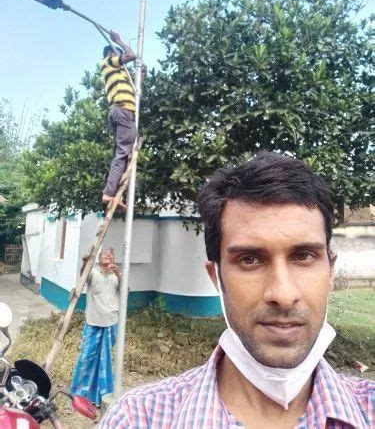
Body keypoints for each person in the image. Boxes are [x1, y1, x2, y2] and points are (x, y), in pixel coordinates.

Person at [99, 152, 374, 428]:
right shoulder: (136, 419)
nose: (283, 294)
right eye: (250, 260)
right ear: (216, 277)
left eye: (303, 256)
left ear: (330, 271)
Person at [70, 248, 121, 407]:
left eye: (111, 253)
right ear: (99, 258)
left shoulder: (116, 276)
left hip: (111, 322)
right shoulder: (93, 273)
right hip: (93, 323)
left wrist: (119, 273)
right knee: (86, 358)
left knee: (104, 362)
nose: (108, 254)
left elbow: (126, 291)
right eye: (105, 252)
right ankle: (79, 396)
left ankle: (102, 397)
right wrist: (85, 262)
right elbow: (83, 276)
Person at [101, 31, 146, 209]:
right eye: (118, 54)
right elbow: (132, 55)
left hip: (120, 112)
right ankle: (109, 194)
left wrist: (142, 74)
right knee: (122, 155)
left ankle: (110, 193)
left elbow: (136, 89)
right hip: (123, 112)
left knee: (119, 155)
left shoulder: (120, 75)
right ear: (112, 54)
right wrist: (118, 41)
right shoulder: (108, 63)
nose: (121, 57)